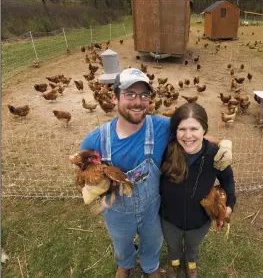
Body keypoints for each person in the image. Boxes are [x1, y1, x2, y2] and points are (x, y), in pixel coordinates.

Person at [79, 68, 233, 278]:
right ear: (115, 98)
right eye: (129, 94)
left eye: (143, 95)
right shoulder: (95, 140)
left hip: (152, 207)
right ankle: (125, 264)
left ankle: (150, 267)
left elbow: (191, 132)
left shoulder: (160, 126)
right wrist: (94, 185)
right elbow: (83, 175)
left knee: (152, 241)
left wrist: (222, 144)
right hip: (117, 210)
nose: (137, 101)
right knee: (122, 241)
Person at [159, 103, 236, 278]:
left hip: (199, 219)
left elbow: (228, 180)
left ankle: (191, 263)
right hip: (169, 217)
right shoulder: (166, 152)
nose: (188, 136)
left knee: (193, 244)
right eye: (182, 129)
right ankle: (174, 262)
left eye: (194, 128)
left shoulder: (215, 155)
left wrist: (230, 204)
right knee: (172, 243)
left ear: (204, 130)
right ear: (175, 131)